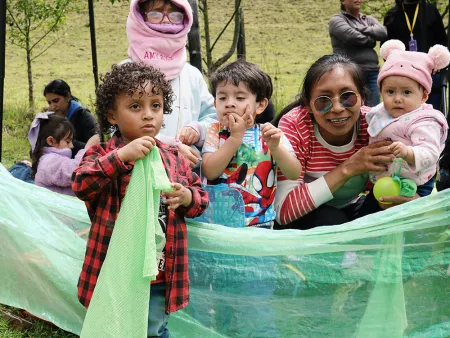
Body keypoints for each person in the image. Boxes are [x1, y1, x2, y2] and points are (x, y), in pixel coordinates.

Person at [72, 62, 208, 337]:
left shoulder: (173, 156)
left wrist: (187, 196)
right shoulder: (102, 152)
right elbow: (81, 184)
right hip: (113, 267)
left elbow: (200, 199)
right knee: (112, 326)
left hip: (157, 273)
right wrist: (121, 157)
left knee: (152, 329)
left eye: (155, 106)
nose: (148, 115)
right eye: (135, 107)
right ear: (112, 115)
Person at [273, 54, 398, 230]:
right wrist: (349, 168)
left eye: (347, 97)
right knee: (331, 219)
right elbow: (283, 212)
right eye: (323, 100)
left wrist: (406, 199)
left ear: (362, 97)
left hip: (353, 207)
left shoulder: (374, 124)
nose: (338, 108)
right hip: (307, 217)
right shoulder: (296, 125)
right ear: (308, 104)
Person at [201, 60, 302, 228]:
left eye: (240, 97)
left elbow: (294, 173)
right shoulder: (215, 131)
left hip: (260, 225)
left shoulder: (269, 134)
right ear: (215, 104)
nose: (229, 103)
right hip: (218, 225)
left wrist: (276, 148)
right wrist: (235, 137)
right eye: (222, 97)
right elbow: (210, 171)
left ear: (261, 105)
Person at [358, 39, 449, 215]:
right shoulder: (381, 112)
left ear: (423, 96)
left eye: (406, 92)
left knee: (406, 222)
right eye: (390, 92)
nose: (397, 98)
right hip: (384, 182)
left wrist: (408, 153)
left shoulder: (425, 121)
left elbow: (430, 152)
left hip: (414, 184)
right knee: (369, 217)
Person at [125, 0, 217, 167]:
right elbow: (116, 127)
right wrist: (170, 148)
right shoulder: (125, 72)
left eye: (175, 15)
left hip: (186, 180)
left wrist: (198, 129)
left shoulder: (192, 75)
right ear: (140, 17)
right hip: (136, 175)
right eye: (156, 13)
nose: (166, 21)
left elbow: (213, 118)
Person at [383, 0, 448, 110]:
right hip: (403, 75)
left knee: (432, 113)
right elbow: (387, 48)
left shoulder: (430, 10)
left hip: (430, 73)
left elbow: (442, 40)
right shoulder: (392, 15)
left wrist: (438, 65)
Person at [329, 0, 387, 107]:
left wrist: (360, 28)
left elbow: (383, 32)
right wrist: (372, 38)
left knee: (373, 110)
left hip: (372, 72)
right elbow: (352, 37)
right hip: (349, 72)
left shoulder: (367, 19)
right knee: (351, 108)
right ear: (343, 1)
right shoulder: (337, 20)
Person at [28, 113, 99, 196]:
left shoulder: (51, 159)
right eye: (67, 141)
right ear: (51, 141)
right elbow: (76, 172)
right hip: (54, 209)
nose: (71, 146)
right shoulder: (49, 162)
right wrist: (87, 149)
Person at [44, 79, 98, 156]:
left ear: (68, 96)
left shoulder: (85, 117)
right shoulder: (51, 117)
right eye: (49, 102)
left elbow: (98, 148)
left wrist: (68, 141)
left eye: (56, 101)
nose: (52, 106)